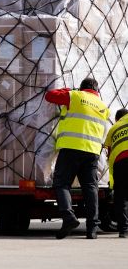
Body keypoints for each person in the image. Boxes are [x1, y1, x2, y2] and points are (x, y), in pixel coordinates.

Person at [45, 77, 111, 239]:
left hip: (72, 147)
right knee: (90, 188)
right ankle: (92, 229)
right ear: (96, 91)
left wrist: (69, 90)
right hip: (93, 152)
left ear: (82, 88)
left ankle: (68, 217)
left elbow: (50, 96)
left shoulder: (75, 96)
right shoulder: (103, 107)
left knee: (62, 183)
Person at [103, 108, 128, 238]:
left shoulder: (114, 128)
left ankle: (123, 230)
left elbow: (108, 149)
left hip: (120, 162)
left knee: (121, 197)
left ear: (117, 119)